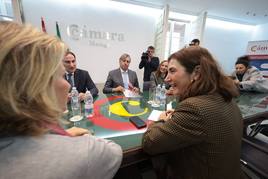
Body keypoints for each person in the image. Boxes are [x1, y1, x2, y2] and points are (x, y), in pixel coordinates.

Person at [0, 21, 122, 179]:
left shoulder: (83, 73)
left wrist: (85, 95)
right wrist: (70, 136)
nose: (66, 84)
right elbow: (114, 152)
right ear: (36, 86)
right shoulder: (84, 153)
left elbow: (94, 89)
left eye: (73, 62)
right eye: (59, 74)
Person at [142, 47, 244, 179]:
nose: (166, 79)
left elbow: (150, 143)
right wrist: (180, 115)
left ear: (197, 73)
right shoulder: (225, 98)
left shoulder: (194, 108)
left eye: (172, 71)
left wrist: (161, 119)